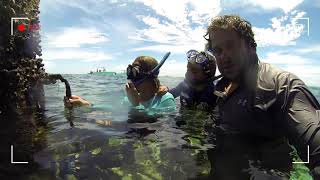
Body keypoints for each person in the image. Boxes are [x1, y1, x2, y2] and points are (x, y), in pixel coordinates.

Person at [204, 15, 320, 179]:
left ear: (251, 46)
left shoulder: (282, 85)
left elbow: (314, 148)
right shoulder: (222, 84)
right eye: (218, 50)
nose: (224, 56)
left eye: (231, 46)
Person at [65, 54, 176, 115]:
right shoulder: (129, 99)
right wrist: (86, 104)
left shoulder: (165, 100)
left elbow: (154, 124)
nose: (131, 79)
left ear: (150, 76)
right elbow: (114, 109)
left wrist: (136, 105)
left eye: (135, 73)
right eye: (130, 73)